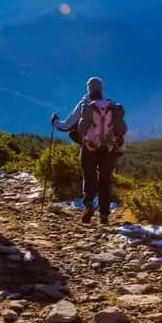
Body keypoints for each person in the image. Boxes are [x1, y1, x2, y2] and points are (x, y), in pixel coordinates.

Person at [52, 77, 127, 225]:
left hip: (89, 148)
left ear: (89, 88)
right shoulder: (111, 105)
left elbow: (67, 125)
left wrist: (55, 122)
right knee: (105, 181)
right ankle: (104, 214)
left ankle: (88, 207)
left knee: (89, 177)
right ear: (101, 88)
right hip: (108, 149)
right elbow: (119, 129)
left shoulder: (84, 104)